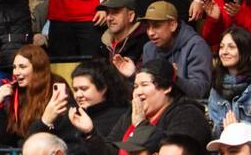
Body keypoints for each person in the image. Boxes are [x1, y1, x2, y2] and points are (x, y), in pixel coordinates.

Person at [70, 59, 211, 155]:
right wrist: (90, 133)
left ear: (167, 87)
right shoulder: (132, 113)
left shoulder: (188, 114)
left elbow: (173, 150)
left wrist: (140, 124)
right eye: (136, 86)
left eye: (144, 85)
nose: (137, 92)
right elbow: (111, 151)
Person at [0, 44, 80, 151]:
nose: (16, 72)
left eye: (22, 67)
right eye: (14, 67)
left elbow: (67, 138)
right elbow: (3, 139)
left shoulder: (55, 90)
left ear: (38, 68)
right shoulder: (16, 92)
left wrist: (45, 122)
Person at [118, 1, 213, 99]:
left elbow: (200, 92)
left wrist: (175, 78)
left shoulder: (196, 46)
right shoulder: (149, 48)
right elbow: (149, 89)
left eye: (156, 26)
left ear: (173, 25)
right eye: (148, 27)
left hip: (187, 108)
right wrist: (134, 75)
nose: (150, 33)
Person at [207, 27, 251, 136]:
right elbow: (211, 130)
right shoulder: (216, 83)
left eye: (231, 47)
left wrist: (238, 129)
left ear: (244, 50)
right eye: (222, 47)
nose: (224, 52)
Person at [70, 59, 130, 138]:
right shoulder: (75, 115)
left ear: (103, 88)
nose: (78, 95)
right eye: (75, 90)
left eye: (84, 89)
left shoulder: (122, 117)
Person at [98, 0, 149, 65]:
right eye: (107, 13)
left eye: (115, 12)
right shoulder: (103, 43)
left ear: (131, 16)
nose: (109, 18)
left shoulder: (144, 42)